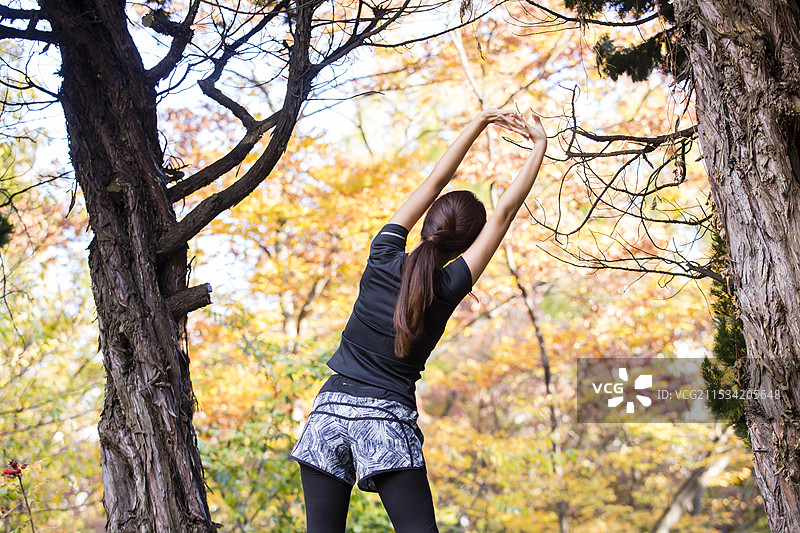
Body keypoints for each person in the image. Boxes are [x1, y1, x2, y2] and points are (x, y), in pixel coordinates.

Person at [290, 109, 548, 533]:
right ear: (464, 244)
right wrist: (539, 145)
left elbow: (432, 184)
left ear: (428, 224)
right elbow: (502, 214)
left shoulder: (382, 253)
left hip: (328, 413)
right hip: (387, 422)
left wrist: (480, 120)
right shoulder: (447, 286)